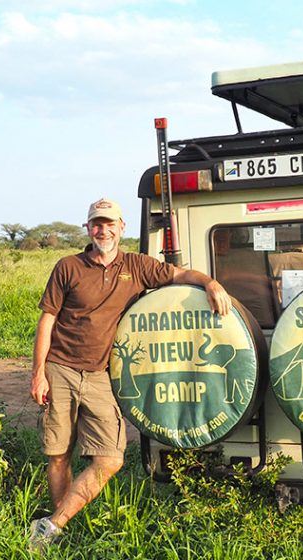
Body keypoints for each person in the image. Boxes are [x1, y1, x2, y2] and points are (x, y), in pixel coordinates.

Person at [27, 197, 232, 551]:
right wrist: (38, 373)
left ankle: (52, 523)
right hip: (60, 367)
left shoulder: (136, 266)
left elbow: (180, 275)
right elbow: (47, 320)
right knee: (59, 453)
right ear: (88, 228)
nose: (102, 230)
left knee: (110, 458)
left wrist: (210, 283)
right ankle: (58, 533)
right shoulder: (68, 267)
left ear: (122, 228)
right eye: (96, 224)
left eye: (109, 224)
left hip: (100, 374)